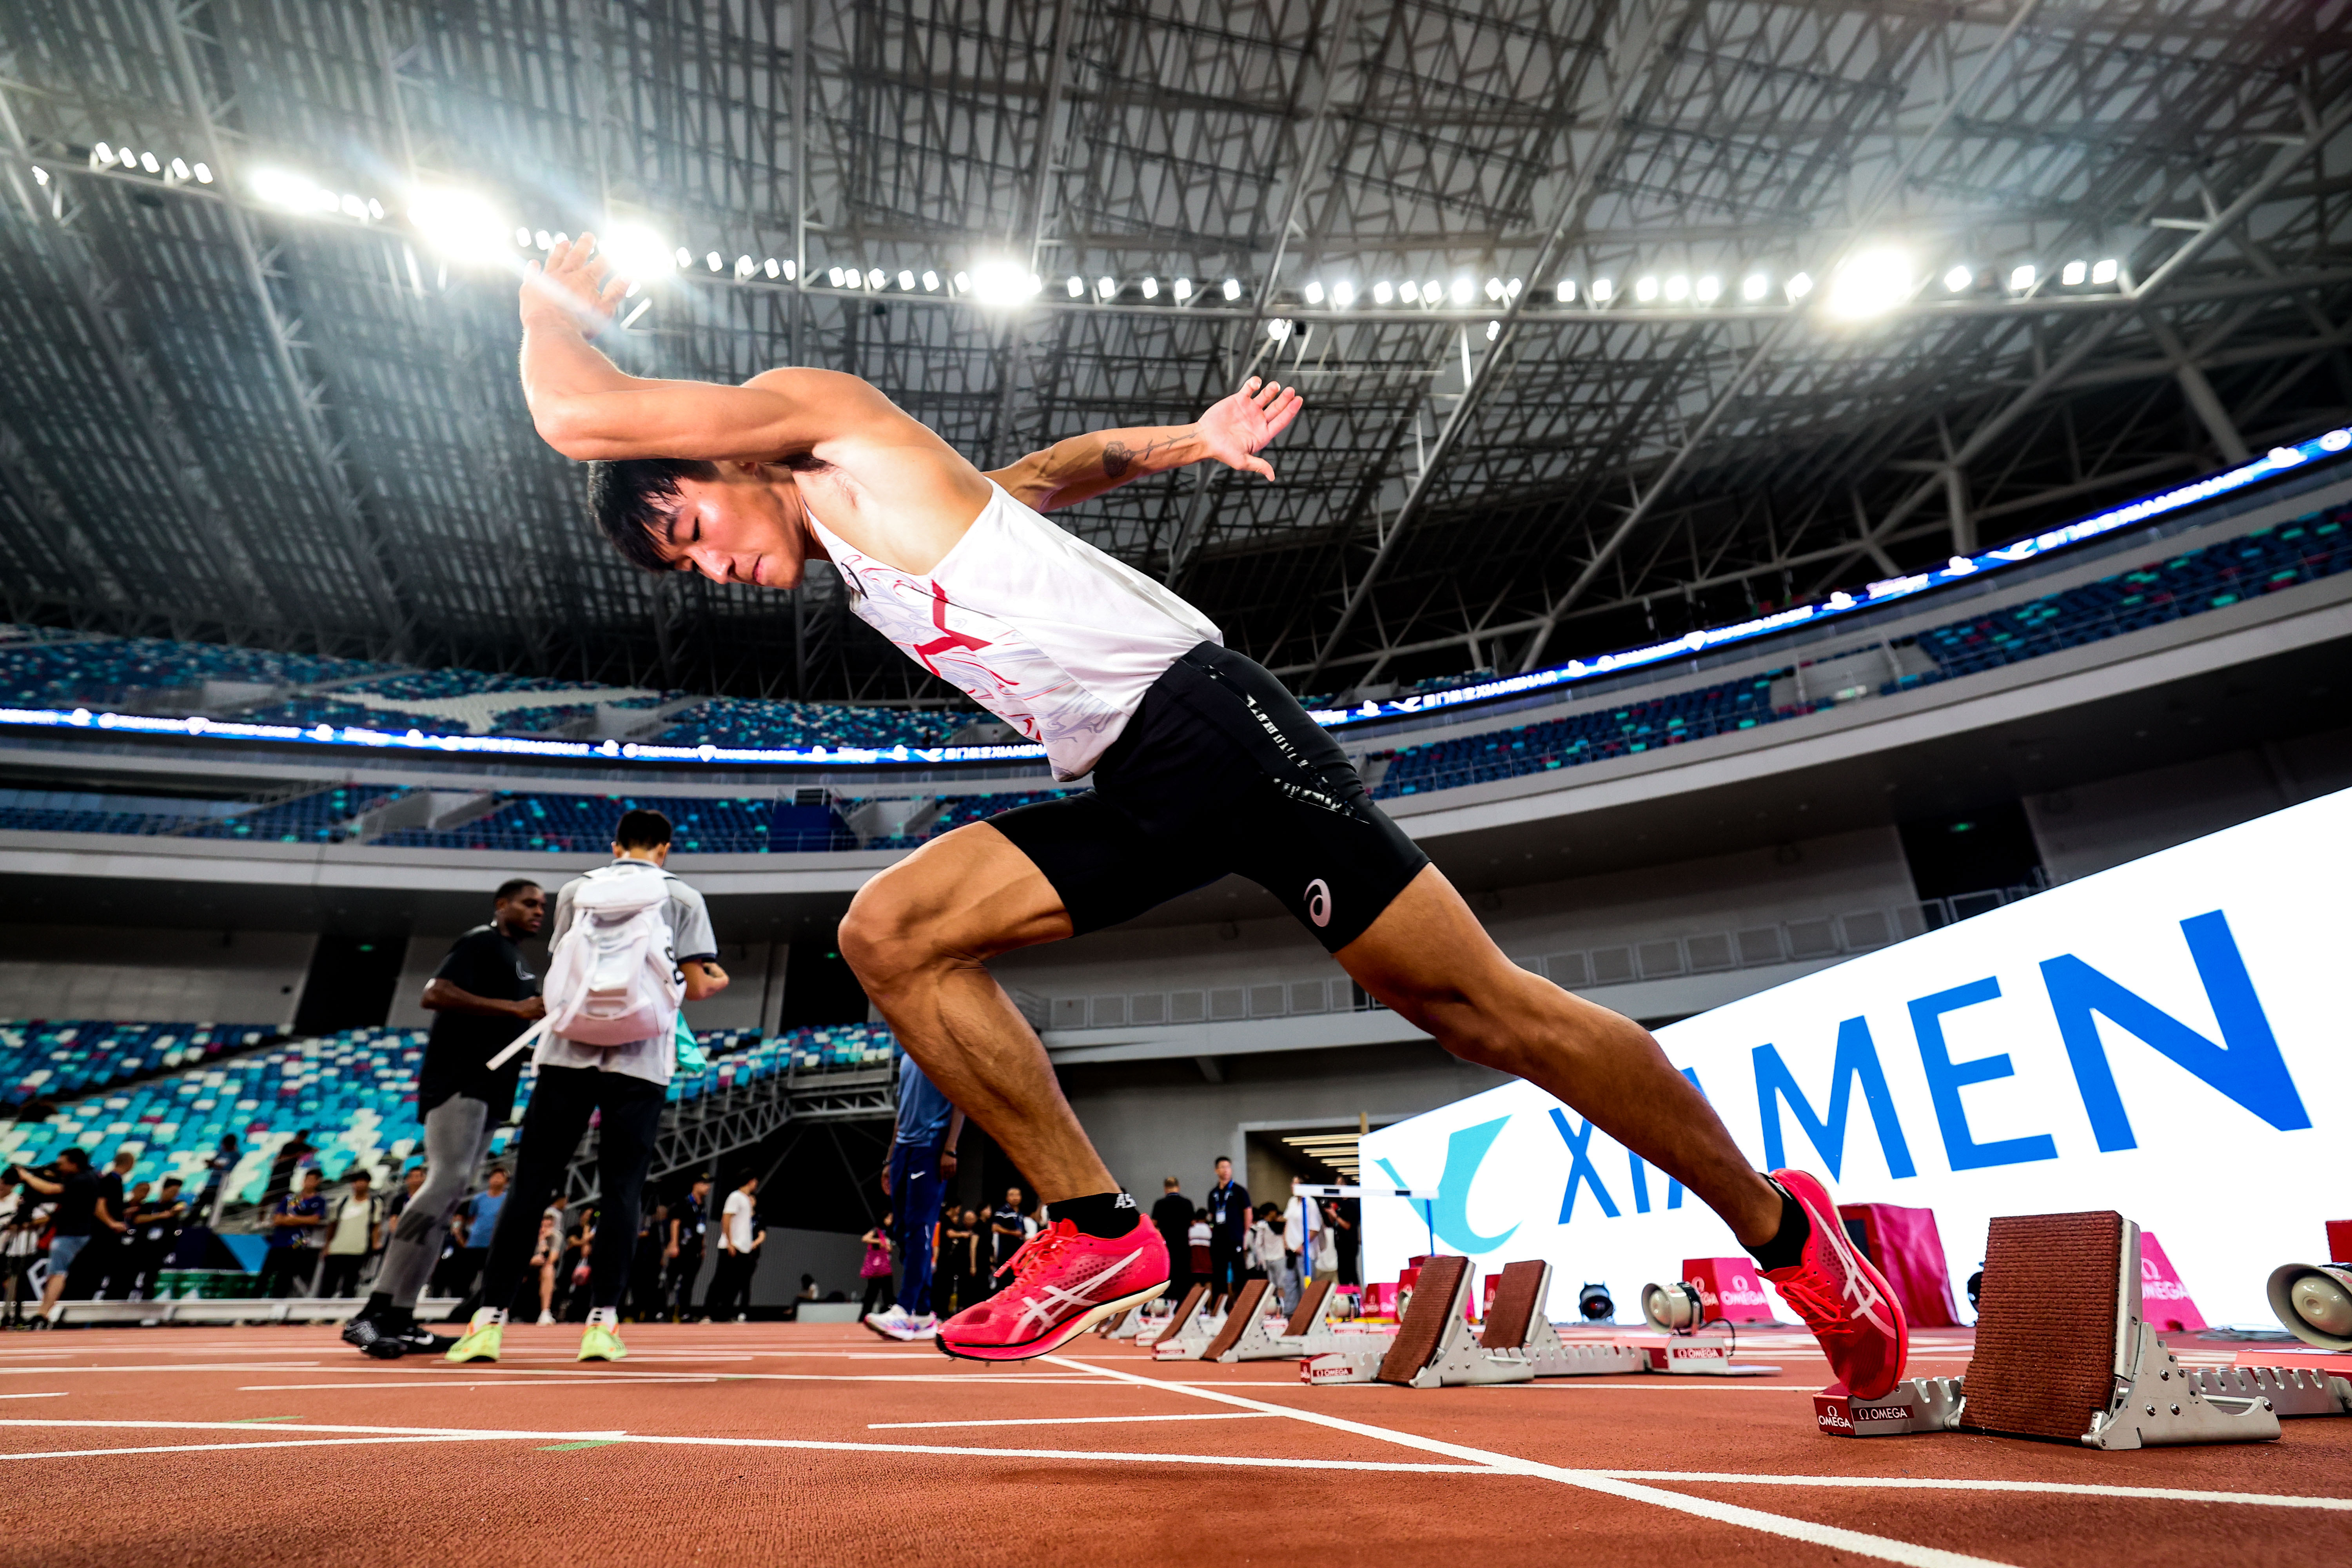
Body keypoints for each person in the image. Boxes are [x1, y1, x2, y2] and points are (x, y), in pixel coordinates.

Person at [517, 236, 1910, 1392]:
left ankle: (1787, 1232)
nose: (722, 570)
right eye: (690, 571)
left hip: (1215, 727)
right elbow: (1054, 477)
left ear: (724, 458)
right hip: (1134, 778)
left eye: (694, 530)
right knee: (896, 930)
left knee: (1481, 1008)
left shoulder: (823, 418)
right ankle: (1097, 1228)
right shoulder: (878, 542)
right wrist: (1188, 437)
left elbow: (577, 416)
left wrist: (545, 294)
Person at [445, 810, 728, 1366]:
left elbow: (566, 969)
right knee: (622, 1192)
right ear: (664, 850)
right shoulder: (685, 898)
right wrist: (714, 980)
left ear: (616, 844)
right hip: (642, 1058)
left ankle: (487, 1324)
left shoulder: (578, 889)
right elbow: (695, 987)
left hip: (567, 1051)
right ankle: (601, 1325)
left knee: (530, 1188)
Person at [345, 879, 546, 1357]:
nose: (540, 911)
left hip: (495, 1085)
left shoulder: (518, 960)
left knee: (454, 1192)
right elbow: (434, 993)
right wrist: (513, 1008)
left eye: (543, 905)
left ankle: (401, 1315)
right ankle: (371, 1313)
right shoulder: (481, 940)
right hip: (460, 1077)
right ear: (502, 904)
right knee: (445, 1180)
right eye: (529, 903)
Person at [864, 1047, 964, 1341]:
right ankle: (922, 1313)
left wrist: (951, 1148)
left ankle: (904, 1310)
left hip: (931, 1147)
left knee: (919, 1226)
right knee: (901, 1229)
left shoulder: (945, 1053)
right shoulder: (907, 1057)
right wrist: (889, 1158)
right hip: (904, 1151)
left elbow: (962, 1102)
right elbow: (903, 1111)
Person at [11, 1150, 96, 1318]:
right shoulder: (87, 1177)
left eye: (62, 1163)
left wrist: (27, 1177)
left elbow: (50, 1190)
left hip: (72, 1233)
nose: (60, 1168)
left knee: (57, 1273)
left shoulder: (83, 1179)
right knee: (57, 1272)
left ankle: (43, 1313)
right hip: (74, 1231)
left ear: (74, 1163)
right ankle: (44, 1311)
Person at [259, 1169, 327, 1298]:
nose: (309, 1183)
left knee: (285, 1277)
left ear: (318, 1182)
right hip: (279, 1241)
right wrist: (299, 1220)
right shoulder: (291, 1199)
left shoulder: (319, 1201)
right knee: (265, 1275)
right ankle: (253, 1306)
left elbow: (313, 1220)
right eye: (307, 1179)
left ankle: (276, 1307)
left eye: (313, 1180)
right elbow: (278, 1219)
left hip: (298, 1243)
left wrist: (291, 1219)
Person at [707, 1173, 761, 1323]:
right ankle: (708, 1314)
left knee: (735, 1284)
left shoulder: (747, 1200)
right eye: (755, 1180)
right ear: (750, 1181)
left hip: (744, 1248)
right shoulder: (735, 1196)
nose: (756, 1184)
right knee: (721, 1280)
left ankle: (725, 1314)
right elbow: (727, 1218)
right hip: (732, 1246)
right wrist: (730, 1242)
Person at [320, 1171, 383, 1298]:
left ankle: (342, 1316)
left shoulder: (374, 1204)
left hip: (358, 1249)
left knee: (350, 1284)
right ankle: (320, 1315)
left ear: (368, 1183)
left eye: (363, 1181)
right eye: (357, 1181)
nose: (360, 1184)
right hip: (337, 1248)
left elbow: (376, 1226)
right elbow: (333, 1225)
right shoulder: (342, 1202)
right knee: (328, 1284)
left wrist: (376, 1243)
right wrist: (327, 1245)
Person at [664, 1173, 714, 1323]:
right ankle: (660, 1311)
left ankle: (684, 1313)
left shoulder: (703, 1205)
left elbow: (702, 1227)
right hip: (682, 1247)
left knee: (688, 1283)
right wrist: (674, 1244)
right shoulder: (685, 1202)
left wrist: (703, 1247)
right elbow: (676, 1223)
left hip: (695, 1250)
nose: (708, 1187)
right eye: (705, 1184)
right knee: (671, 1280)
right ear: (696, 1184)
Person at [1205, 1158, 1250, 1301]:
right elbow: (1212, 1215)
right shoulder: (1213, 1193)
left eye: (1228, 1167)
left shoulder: (1239, 1191)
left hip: (1235, 1237)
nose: (1226, 1170)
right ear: (1216, 1170)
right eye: (1223, 1167)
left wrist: (1245, 1234)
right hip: (1219, 1239)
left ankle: (1242, 1304)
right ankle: (1220, 1306)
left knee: (1239, 1273)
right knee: (1219, 1274)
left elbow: (1248, 1211)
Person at [1151, 1177, 1193, 1305]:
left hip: (1167, 1247)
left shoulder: (1160, 1204)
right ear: (1178, 1187)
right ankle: (1183, 1305)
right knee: (1183, 1277)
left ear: (1165, 1189)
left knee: (1168, 1276)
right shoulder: (1187, 1203)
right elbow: (1192, 1222)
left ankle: (1167, 1304)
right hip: (1183, 1247)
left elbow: (1154, 1224)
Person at [195, 1134, 238, 1228]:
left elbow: (228, 1168)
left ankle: (206, 1226)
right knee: (199, 1205)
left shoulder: (236, 1155)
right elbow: (212, 1165)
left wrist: (215, 1165)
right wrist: (212, 1164)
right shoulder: (221, 1153)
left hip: (220, 1185)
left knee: (213, 1207)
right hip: (211, 1183)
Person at [857, 1221, 894, 1320]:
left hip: (885, 1269)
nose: (890, 1221)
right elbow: (865, 1239)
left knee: (888, 1296)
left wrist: (888, 1246)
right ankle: (863, 1318)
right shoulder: (877, 1231)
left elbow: (890, 1249)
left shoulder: (888, 1232)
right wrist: (880, 1241)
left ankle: (889, 1318)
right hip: (877, 1270)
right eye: (889, 1218)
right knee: (871, 1296)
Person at [1186, 1209, 1212, 1293]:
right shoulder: (1209, 1229)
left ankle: (1199, 1306)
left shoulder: (1191, 1229)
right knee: (1208, 1283)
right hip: (1207, 1262)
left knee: (1197, 1283)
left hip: (1195, 1262)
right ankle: (1209, 1307)